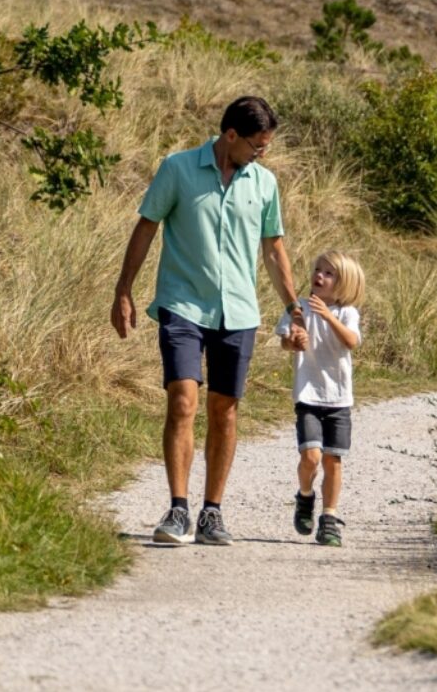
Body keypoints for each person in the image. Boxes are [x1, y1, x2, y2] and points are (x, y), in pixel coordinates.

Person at [110, 96, 300, 546]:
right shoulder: (177, 169)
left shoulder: (265, 183)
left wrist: (295, 307)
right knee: (182, 400)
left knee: (225, 410)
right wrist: (123, 290)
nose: (263, 152)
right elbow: (146, 227)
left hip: (237, 312)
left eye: (267, 145)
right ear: (230, 136)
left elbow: (273, 250)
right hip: (182, 306)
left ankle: (211, 512)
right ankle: (178, 509)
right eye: (257, 144)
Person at [278, 251, 364, 547]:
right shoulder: (298, 308)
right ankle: (305, 496)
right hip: (308, 395)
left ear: (344, 284)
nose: (320, 276)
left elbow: (351, 341)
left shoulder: (347, 312)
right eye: (318, 270)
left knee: (333, 460)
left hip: (338, 399)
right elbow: (286, 342)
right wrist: (294, 341)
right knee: (311, 457)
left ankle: (329, 517)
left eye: (329, 274)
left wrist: (327, 316)